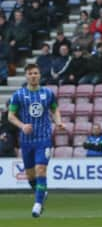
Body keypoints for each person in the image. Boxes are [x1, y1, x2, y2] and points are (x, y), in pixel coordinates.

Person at [7, 64, 64, 217]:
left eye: (36, 73)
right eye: (30, 73)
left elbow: (55, 109)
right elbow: (10, 116)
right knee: (30, 176)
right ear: (26, 76)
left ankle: (38, 204)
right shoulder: (18, 95)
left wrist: (58, 122)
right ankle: (41, 193)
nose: (33, 76)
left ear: (39, 75)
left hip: (43, 139)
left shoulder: (48, 93)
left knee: (41, 170)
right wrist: (22, 125)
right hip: (26, 141)